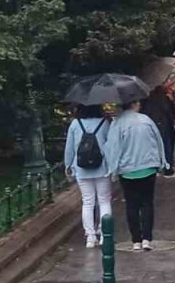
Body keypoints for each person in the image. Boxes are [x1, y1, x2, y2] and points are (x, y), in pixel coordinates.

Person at [104, 99, 168, 251]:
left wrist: (113, 169)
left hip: (127, 170)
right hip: (148, 167)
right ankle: (147, 238)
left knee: (131, 204)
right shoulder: (146, 120)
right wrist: (162, 162)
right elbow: (158, 141)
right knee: (147, 203)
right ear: (135, 105)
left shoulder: (118, 123)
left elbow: (113, 148)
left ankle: (136, 241)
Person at [63, 104, 113, 248]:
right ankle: (105, 235)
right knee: (104, 201)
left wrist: (68, 165)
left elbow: (69, 148)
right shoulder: (104, 123)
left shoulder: (75, 124)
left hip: (81, 168)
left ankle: (90, 237)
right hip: (102, 167)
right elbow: (110, 145)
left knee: (87, 202)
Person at [142, 83, 175, 178]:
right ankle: (168, 170)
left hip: (151, 125)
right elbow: (170, 113)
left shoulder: (149, 99)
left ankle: (156, 168)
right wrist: (171, 101)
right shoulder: (164, 99)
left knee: (154, 147)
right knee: (166, 147)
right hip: (163, 126)